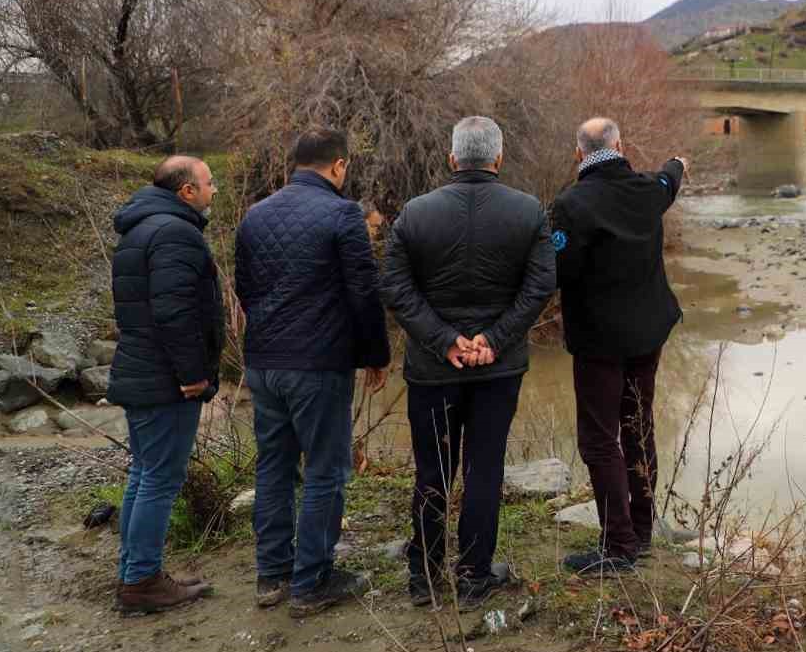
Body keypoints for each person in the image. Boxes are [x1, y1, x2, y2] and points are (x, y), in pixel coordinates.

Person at [381, 117, 556, 607]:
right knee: (485, 469)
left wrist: (445, 341)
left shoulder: (415, 213)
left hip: (435, 368)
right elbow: (540, 285)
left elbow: (395, 287)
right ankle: (475, 577)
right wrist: (494, 339)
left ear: (452, 159)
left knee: (432, 470)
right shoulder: (528, 212)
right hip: (496, 370)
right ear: (498, 160)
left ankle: (424, 577)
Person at [234, 128, 391, 617]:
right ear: (338, 166)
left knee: (274, 466)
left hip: (263, 363)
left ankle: (272, 576)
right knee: (325, 470)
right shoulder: (343, 214)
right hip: (318, 364)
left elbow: (245, 288)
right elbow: (363, 293)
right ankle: (311, 583)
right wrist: (376, 356)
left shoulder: (254, 215)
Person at [549, 117, 687, 575]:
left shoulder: (571, 205)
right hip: (648, 333)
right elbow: (671, 177)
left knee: (598, 438)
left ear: (578, 154)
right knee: (638, 426)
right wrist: (678, 163)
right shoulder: (649, 191)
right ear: (620, 145)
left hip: (599, 341)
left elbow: (559, 271)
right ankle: (642, 531)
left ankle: (619, 545)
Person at [107, 155, 224, 615]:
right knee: (158, 477)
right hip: (164, 381)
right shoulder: (175, 232)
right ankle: (141, 582)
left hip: (142, 372)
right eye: (209, 183)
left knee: (144, 473)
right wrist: (194, 373)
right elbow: (174, 313)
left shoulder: (140, 227)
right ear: (186, 192)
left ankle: (136, 573)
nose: (214, 190)